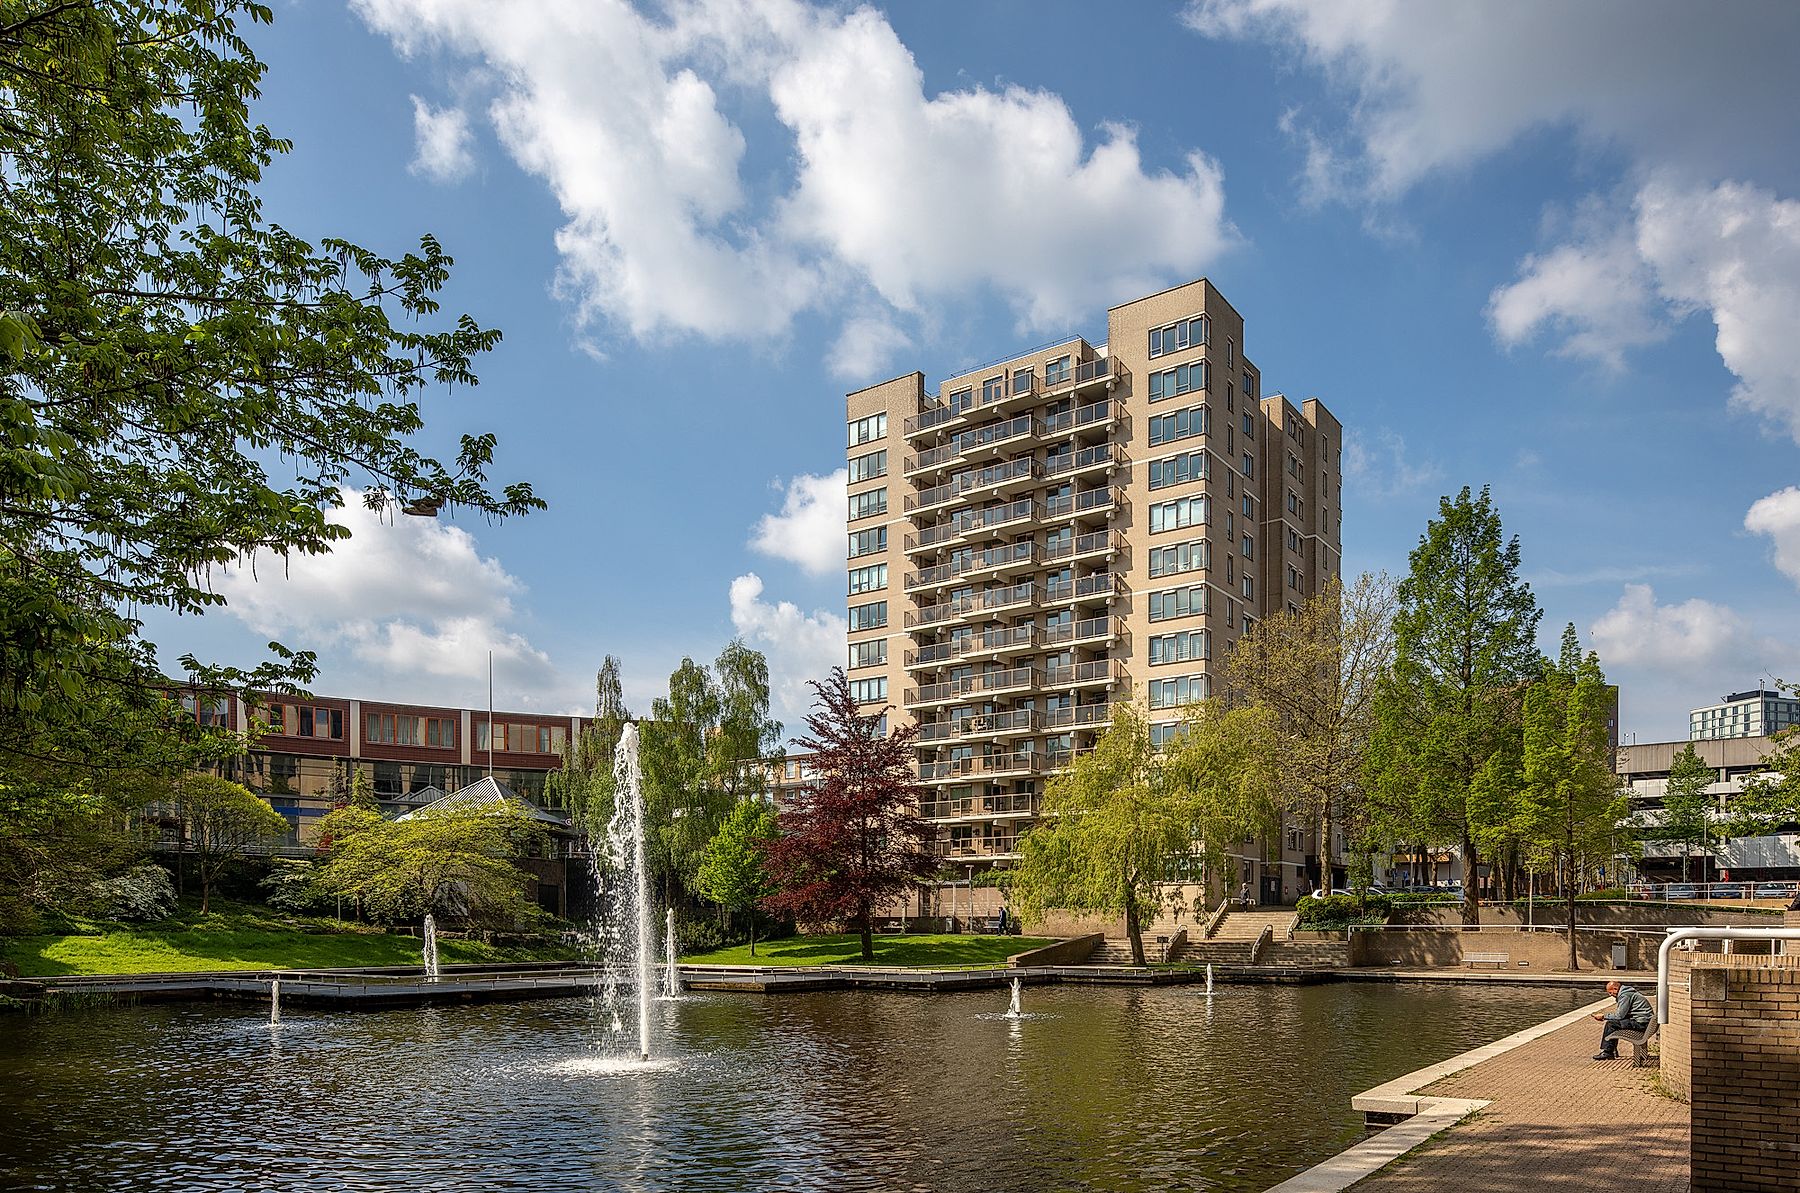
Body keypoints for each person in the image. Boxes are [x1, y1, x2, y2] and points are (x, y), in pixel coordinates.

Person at [1591, 979, 1653, 1060]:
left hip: (1641, 1023)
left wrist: (1603, 1016)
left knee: (1611, 1024)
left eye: (1610, 992)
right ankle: (1610, 1050)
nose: (1610, 995)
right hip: (1644, 1022)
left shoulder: (1625, 995)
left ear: (1615, 989)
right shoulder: (1628, 993)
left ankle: (1607, 1052)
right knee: (1614, 1024)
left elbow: (1620, 1016)